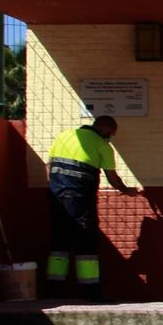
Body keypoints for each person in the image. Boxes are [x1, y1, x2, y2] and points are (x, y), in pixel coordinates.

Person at [44, 116, 139, 300]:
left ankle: (53, 290)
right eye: (111, 133)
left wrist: (56, 187)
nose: (111, 137)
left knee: (59, 242)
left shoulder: (63, 136)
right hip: (81, 200)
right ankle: (90, 291)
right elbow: (112, 177)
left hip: (57, 198)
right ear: (105, 128)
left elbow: (49, 166)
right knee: (86, 244)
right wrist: (127, 190)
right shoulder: (102, 145)